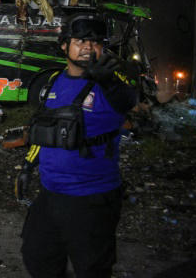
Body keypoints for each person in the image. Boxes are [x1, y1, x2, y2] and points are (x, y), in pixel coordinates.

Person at [18, 14, 138, 277]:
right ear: (64, 45)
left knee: (92, 268)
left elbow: (130, 101)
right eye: (80, 40)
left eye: (95, 42)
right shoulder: (53, 82)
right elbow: (45, 130)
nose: (87, 46)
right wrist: (27, 166)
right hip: (51, 193)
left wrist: (109, 81)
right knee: (37, 256)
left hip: (91, 198)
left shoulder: (109, 85)